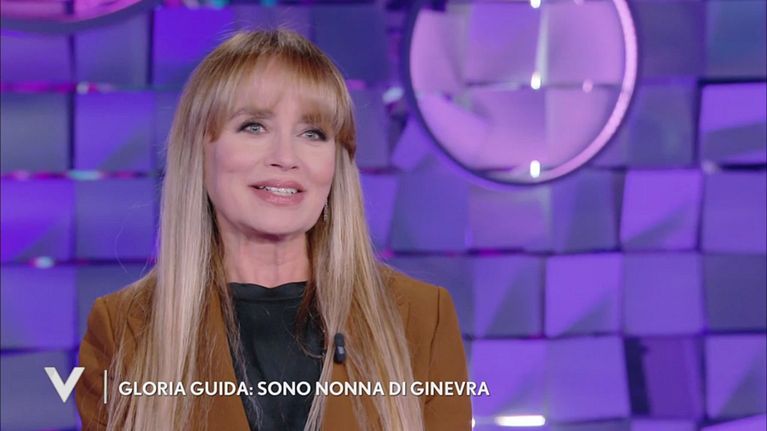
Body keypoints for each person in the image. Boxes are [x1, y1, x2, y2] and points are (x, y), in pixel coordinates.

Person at [75, 29, 471, 431]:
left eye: (313, 133)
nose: (285, 157)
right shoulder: (124, 328)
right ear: (200, 150)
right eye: (254, 127)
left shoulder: (422, 318)